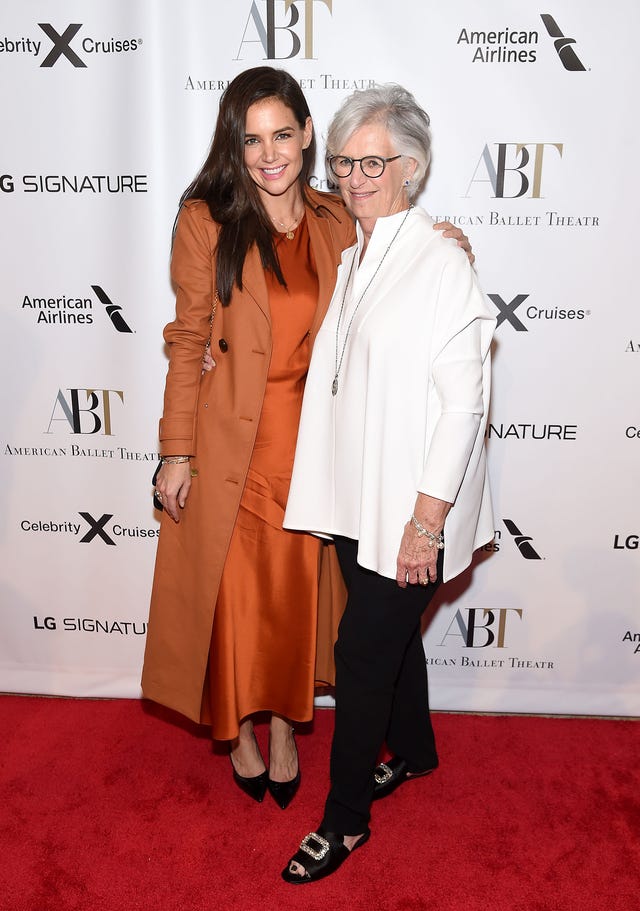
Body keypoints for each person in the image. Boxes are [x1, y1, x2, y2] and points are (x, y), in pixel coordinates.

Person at [141, 67, 474, 811]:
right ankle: (244, 732)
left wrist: (448, 240)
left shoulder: (336, 216)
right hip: (234, 453)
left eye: (283, 134)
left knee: (291, 606)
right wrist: (175, 449)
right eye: (251, 138)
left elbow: (402, 259)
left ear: (305, 134)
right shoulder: (206, 219)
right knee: (237, 605)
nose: (269, 154)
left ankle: (288, 727)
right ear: (236, 143)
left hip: (321, 456)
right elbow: (187, 336)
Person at [282, 84, 495, 882]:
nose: (354, 175)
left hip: (411, 510)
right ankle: (413, 751)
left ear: (412, 167)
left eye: (372, 160)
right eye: (343, 161)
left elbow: (465, 400)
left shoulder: (440, 261)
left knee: (361, 652)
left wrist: (426, 521)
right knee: (392, 642)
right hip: (356, 500)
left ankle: (344, 822)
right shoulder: (351, 254)